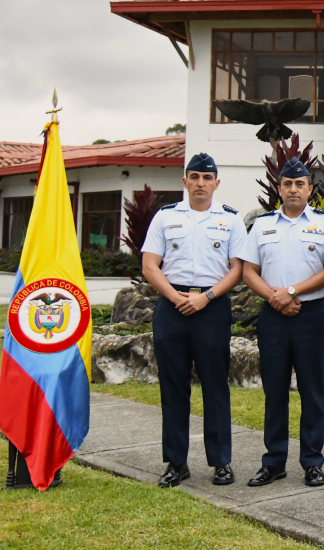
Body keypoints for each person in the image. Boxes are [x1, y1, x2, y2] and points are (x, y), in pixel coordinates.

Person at [140, 152, 247, 488]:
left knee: (215, 386)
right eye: (195, 177)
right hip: (172, 307)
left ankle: (221, 462)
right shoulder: (165, 217)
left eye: (207, 177)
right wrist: (176, 298)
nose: (201, 183)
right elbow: (149, 265)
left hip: (212, 306)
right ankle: (176, 462)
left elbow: (238, 269)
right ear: (184, 181)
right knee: (173, 386)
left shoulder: (230, 220)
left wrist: (206, 297)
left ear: (216, 183)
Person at [239, 158, 324, 488]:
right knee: (275, 391)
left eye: (300, 184)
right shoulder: (263, 224)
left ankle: (312, 461)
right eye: (287, 184)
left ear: (310, 189)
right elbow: (247, 271)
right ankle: (273, 462)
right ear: (279, 189)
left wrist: (292, 292)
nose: (293, 189)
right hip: (272, 316)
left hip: (311, 315)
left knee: (312, 391)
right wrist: (275, 298)